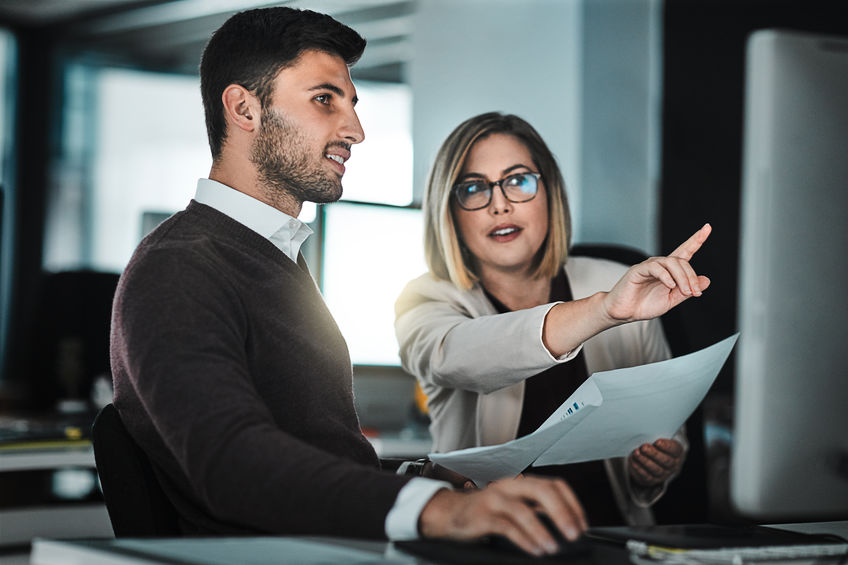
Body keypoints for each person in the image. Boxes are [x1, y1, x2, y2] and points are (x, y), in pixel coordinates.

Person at [109, 8, 587, 557]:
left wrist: (418, 480)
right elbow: (230, 462)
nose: (354, 130)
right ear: (244, 108)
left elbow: (311, 449)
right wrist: (435, 511)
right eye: (324, 100)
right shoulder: (180, 266)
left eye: (352, 104)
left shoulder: (272, 257)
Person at [395, 112, 712, 526]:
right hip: (491, 541)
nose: (500, 204)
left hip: (612, 540)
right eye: (474, 189)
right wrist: (603, 311)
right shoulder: (426, 296)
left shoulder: (613, 278)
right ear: (450, 213)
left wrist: (656, 467)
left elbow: (665, 430)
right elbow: (454, 358)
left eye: (518, 181)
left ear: (550, 192)